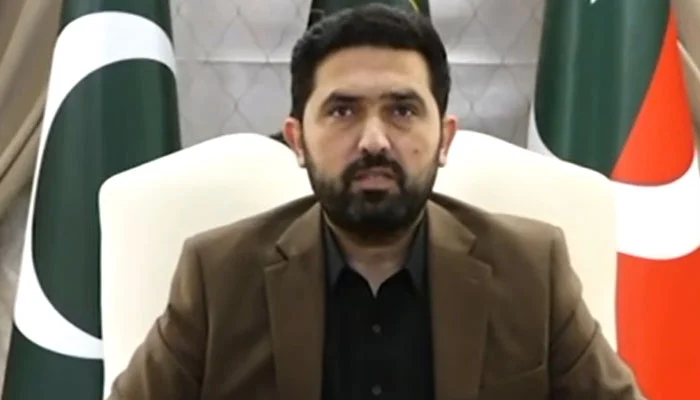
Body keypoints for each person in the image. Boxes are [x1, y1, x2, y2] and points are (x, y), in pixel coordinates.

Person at [108, 4, 643, 399]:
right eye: (342, 111)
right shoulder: (219, 275)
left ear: (445, 138)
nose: (374, 141)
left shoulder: (530, 270)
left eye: (402, 110)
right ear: (297, 140)